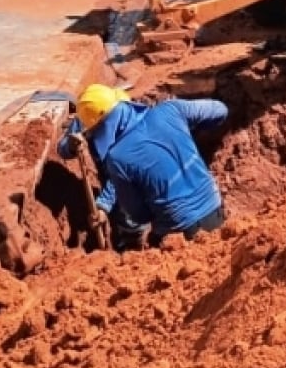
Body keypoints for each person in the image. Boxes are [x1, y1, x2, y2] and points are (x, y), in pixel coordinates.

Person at [57, 84, 229, 248]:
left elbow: (139, 215)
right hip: (215, 211)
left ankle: (130, 243)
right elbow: (220, 111)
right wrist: (184, 134)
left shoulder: (117, 158)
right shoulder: (171, 109)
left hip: (176, 235)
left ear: (101, 128)